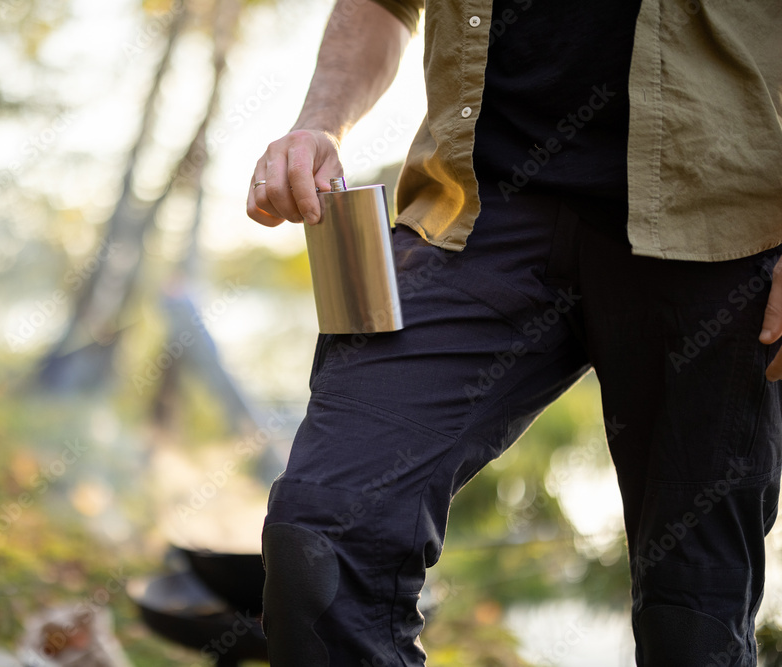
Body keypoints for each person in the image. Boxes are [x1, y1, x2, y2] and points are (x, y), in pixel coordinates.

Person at [246, 0, 782, 665]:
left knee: (693, 625)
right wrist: (320, 122)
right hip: (471, 214)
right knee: (322, 541)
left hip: (718, 229)